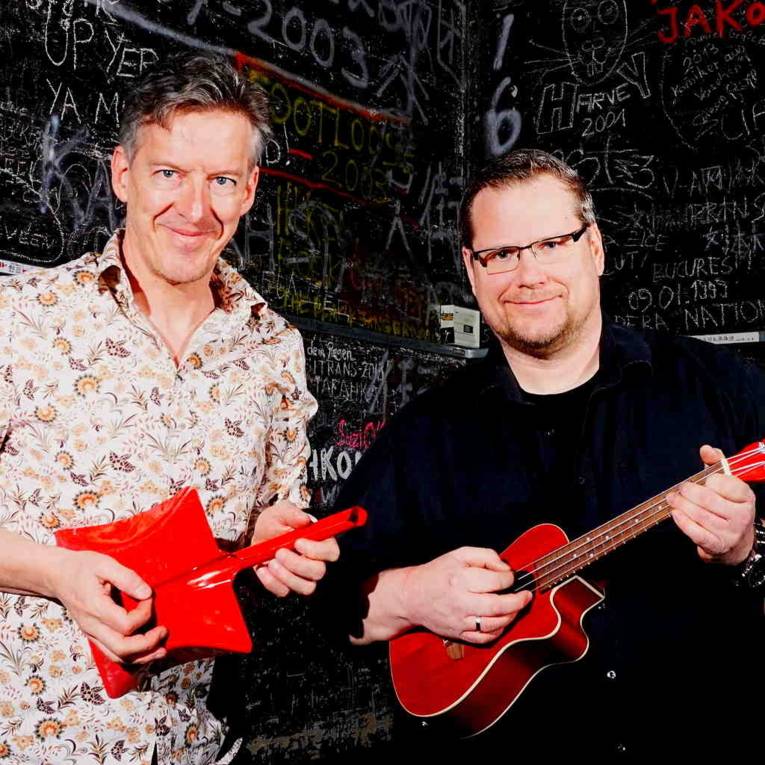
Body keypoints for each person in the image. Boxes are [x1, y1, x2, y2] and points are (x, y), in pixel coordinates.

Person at [323, 149, 765, 759]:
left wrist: (746, 550)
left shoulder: (719, 387)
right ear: (472, 270)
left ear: (595, 249)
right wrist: (412, 595)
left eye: (553, 244)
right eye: (501, 254)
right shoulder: (423, 434)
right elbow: (330, 598)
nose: (528, 275)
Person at [0, 52, 339, 765]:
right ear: (123, 173)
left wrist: (276, 541)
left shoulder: (274, 348)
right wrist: (55, 575)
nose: (194, 208)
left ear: (249, 190)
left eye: (221, 180)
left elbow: (269, 517)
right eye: (168, 174)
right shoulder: (20, 318)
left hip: (191, 744)